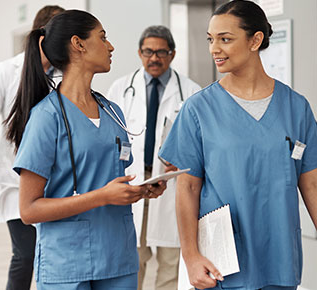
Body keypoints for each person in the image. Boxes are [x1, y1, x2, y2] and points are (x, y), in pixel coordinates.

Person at [158, 1, 317, 290]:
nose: (214, 49)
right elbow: (187, 187)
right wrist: (191, 255)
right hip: (221, 264)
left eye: (225, 39)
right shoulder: (198, 109)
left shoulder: (294, 107)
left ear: (255, 40)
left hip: (280, 258)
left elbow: (313, 185)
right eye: (211, 39)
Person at [6, 10, 167, 290]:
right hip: (68, 262)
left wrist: (139, 190)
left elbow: (108, 178)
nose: (111, 46)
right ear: (78, 44)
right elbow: (29, 210)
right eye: (103, 37)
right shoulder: (47, 117)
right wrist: (102, 196)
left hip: (118, 256)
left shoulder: (112, 111)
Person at [0, 5, 64, 290]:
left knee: (52, 256)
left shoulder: (66, 74)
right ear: (42, 37)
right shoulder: (6, 71)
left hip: (57, 182)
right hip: (14, 182)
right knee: (25, 256)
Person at [107, 25, 201, 290]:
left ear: (172, 54)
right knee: (133, 259)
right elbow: (109, 136)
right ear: (139, 53)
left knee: (171, 261)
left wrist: (185, 158)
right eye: (148, 51)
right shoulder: (121, 88)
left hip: (171, 183)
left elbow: (202, 144)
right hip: (133, 178)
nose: (154, 58)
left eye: (161, 52)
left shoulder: (192, 92)